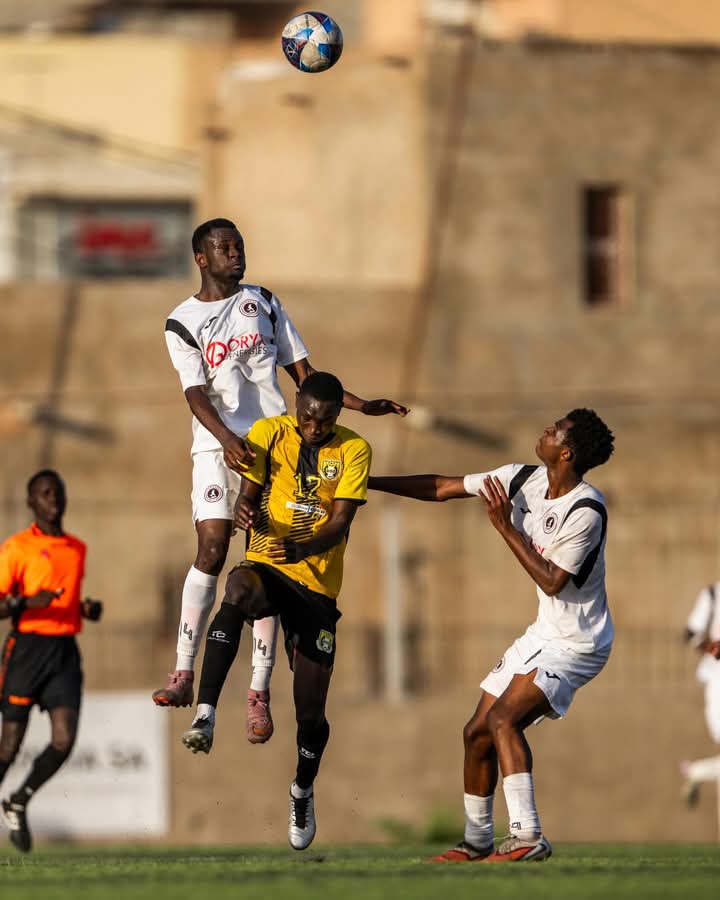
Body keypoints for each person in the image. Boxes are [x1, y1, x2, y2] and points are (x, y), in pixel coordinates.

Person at [152, 218, 406, 747]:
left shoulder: (263, 302)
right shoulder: (181, 321)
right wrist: (225, 438)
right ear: (201, 258)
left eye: (239, 245)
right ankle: (183, 669)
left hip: (274, 447)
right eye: (225, 247)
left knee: (267, 561)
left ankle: (258, 691)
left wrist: (362, 405)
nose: (236, 253)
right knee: (213, 547)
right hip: (217, 445)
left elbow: (305, 374)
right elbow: (195, 393)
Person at [368, 408, 615, 862]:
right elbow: (442, 487)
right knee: (476, 733)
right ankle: (477, 840)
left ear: (567, 453)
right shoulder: (521, 479)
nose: (546, 429)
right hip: (544, 632)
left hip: (579, 643)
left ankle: (528, 836)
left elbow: (553, 581)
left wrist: (504, 527)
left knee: (503, 720)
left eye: (556, 430)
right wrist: (368, 483)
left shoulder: (587, 510)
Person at [181, 372, 371, 851]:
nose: (313, 427)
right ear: (297, 403)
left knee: (310, 713)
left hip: (316, 587)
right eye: (306, 416)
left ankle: (302, 789)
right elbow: (248, 496)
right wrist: (244, 511)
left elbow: (340, 524)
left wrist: (303, 546)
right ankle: (205, 713)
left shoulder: (354, 450)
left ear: (337, 415)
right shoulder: (269, 432)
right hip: (267, 565)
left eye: (324, 420)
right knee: (237, 588)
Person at [0, 470, 102, 853]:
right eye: (45, 493)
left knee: (64, 739)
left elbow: (63, 599)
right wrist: (27, 601)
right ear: (31, 502)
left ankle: (19, 800)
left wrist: (83, 608)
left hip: (63, 652)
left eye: (58, 491)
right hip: (26, 651)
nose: (53, 498)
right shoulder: (16, 548)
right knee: (9, 746)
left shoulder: (76, 548)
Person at [679, 583, 720, 805]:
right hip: (717, 678)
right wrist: (712, 646)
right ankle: (697, 771)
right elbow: (691, 633)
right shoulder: (713, 594)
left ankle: (697, 771)